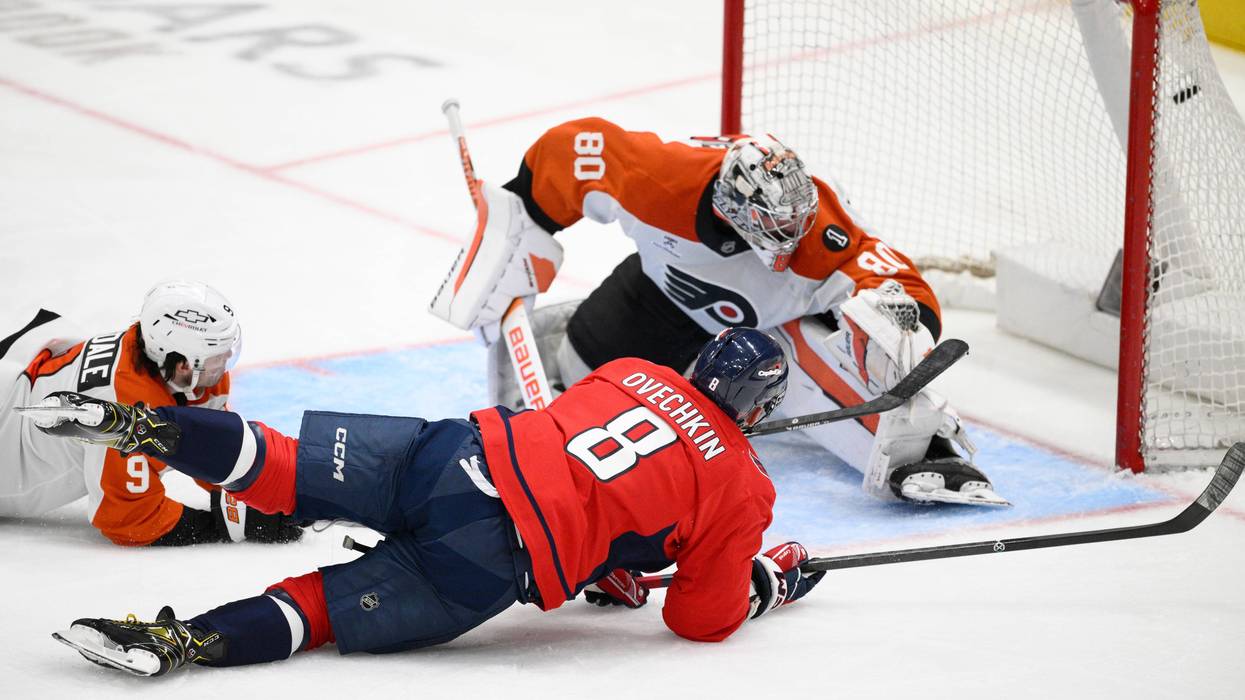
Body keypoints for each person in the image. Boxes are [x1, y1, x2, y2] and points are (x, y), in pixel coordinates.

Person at [28, 328, 822, 676]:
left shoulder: (633, 370)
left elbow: (595, 469)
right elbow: (695, 616)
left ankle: (140, 423)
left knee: (280, 464)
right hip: (486, 557)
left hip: (450, 454)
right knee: (320, 611)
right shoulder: (744, 486)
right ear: (758, 407)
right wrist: (763, 583)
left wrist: (608, 557)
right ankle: (183, 644)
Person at [429, 118, 1005, 506]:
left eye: (793, 228)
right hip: (653, 301)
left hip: (757, 341)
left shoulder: (820, 230)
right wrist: (521, 217)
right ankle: (546, 391)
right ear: (730, 209)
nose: (786, 247)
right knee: (584, 391)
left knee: (823, 345)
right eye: (770, 232)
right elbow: (571, 151)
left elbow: (894, 276)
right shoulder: (662, 180)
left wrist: (899, 321)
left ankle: (924, 452)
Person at [0, 281, 302, 546]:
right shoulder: (122, 406)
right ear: (183, 364)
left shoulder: (176, 368)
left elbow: (211, 447)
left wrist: (261, 489)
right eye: (216, 355)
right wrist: (225, 525)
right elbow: (127, 518)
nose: (225, 362)